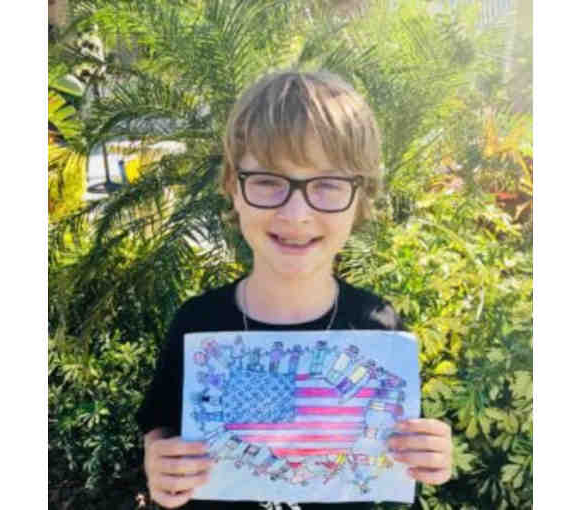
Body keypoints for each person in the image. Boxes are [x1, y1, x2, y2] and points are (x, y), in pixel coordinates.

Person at [136, 70, 453, 510]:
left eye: (328, 184)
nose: (296, 213)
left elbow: (398, 447)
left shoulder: (378, 328)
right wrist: (160, 465)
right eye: (268, 180)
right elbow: (161, 428)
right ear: (233, 187)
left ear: (360, 198)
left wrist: (430, 455)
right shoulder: (197, 322)